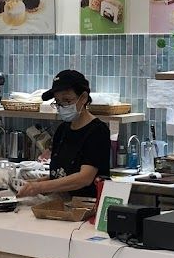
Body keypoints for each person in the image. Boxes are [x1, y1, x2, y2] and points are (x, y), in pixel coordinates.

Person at [17, 70, 110, 199]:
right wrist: (32, 185)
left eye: (66, 101)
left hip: (87, 207)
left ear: (83, 98)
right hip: (63, 206)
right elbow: (61, 175)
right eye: (58, 102)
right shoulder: (62, 130)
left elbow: (84, 178)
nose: (62, 107)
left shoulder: (97, 131)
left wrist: (40, 187)